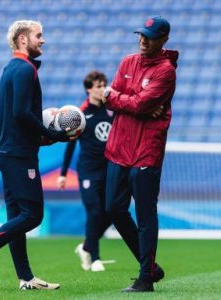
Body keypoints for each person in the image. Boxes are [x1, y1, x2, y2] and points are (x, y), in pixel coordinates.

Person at [0, 20, 70, 291]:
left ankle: (26, 278)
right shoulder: (24, 69)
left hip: (10, 151)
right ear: (23, 39)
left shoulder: (11, 68)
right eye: (38, 35)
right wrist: (54, 135)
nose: (42, 40)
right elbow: (21, 113)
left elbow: (13, 118)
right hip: (18, 156)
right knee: (33, 216)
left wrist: (42, 137)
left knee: (18, 218)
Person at [102, 15, 178, 292]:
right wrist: (129, 103)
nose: (143, 40)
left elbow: (137, 102)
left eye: (150, 36)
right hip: (119, 147)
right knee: (113, 209)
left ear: (163, 40)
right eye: (141, 34)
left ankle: (145, 278)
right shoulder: (127, 62)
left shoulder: (166, 71)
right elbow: (113, 99)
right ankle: (151, 267)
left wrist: (122, 100)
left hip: (146, 151)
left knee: (146, 214)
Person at [57, 71, 115, 272]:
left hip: (109, 169)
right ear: (89, 89)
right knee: (94, 211)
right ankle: (96, 258)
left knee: (113, 212)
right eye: (98, 86)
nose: (102, 89)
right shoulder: (80, 114)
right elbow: (70, 145)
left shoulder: (111, 110)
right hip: (88, 171)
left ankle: (86, 246)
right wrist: (63, 173)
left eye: (104, 85)